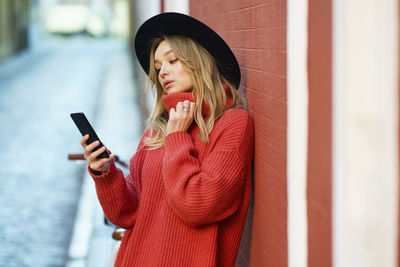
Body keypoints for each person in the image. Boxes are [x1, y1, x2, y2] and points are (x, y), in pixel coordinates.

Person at [79, 12, 254, 267]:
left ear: (199, 62)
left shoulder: (233, 124)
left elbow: (198, 205)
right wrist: (106, 173)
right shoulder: (158, 129)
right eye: (158, 67)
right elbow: (126, 213)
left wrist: (178, 137)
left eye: (172, 60)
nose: (162, 72)